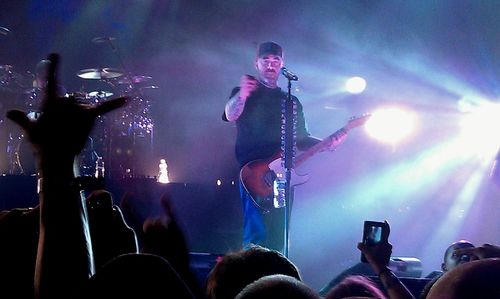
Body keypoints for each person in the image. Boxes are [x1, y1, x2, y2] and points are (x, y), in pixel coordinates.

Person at [223, 41, 347, 251]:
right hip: (254, 171)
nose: (271, 65)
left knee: (280, 231)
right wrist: (242, 94)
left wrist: (327, 144)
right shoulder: (243, 92)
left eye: (276, 60)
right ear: (257, 63)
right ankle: (251, 275)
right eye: (266, 60)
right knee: (256, 232)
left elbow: (302, 138)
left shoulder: (290, 101)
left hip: (283, 174)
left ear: (282, 64)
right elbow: (230, 114)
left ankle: (279, 275)